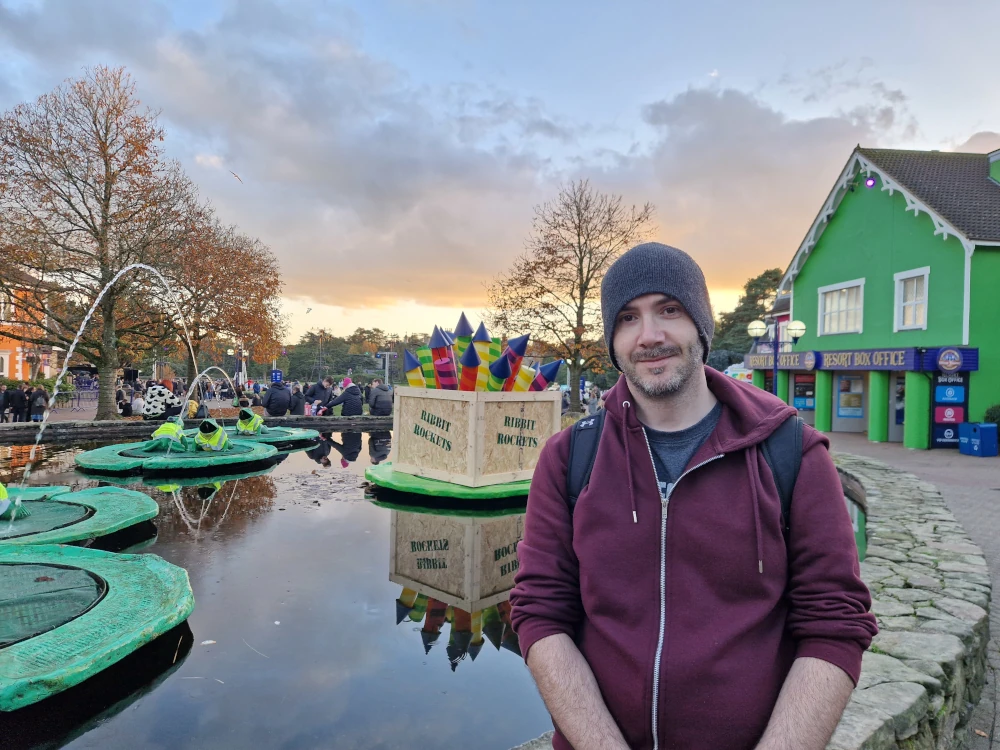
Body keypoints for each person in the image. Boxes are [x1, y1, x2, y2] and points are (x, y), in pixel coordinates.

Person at [509, 242, 876, 750]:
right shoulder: (570, 457)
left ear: (701, 324)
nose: (649, 335)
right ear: (612, 339)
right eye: (628, 318)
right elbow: (541, 613)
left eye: (669, 310)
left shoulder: (791, 452)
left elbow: (834, 622)